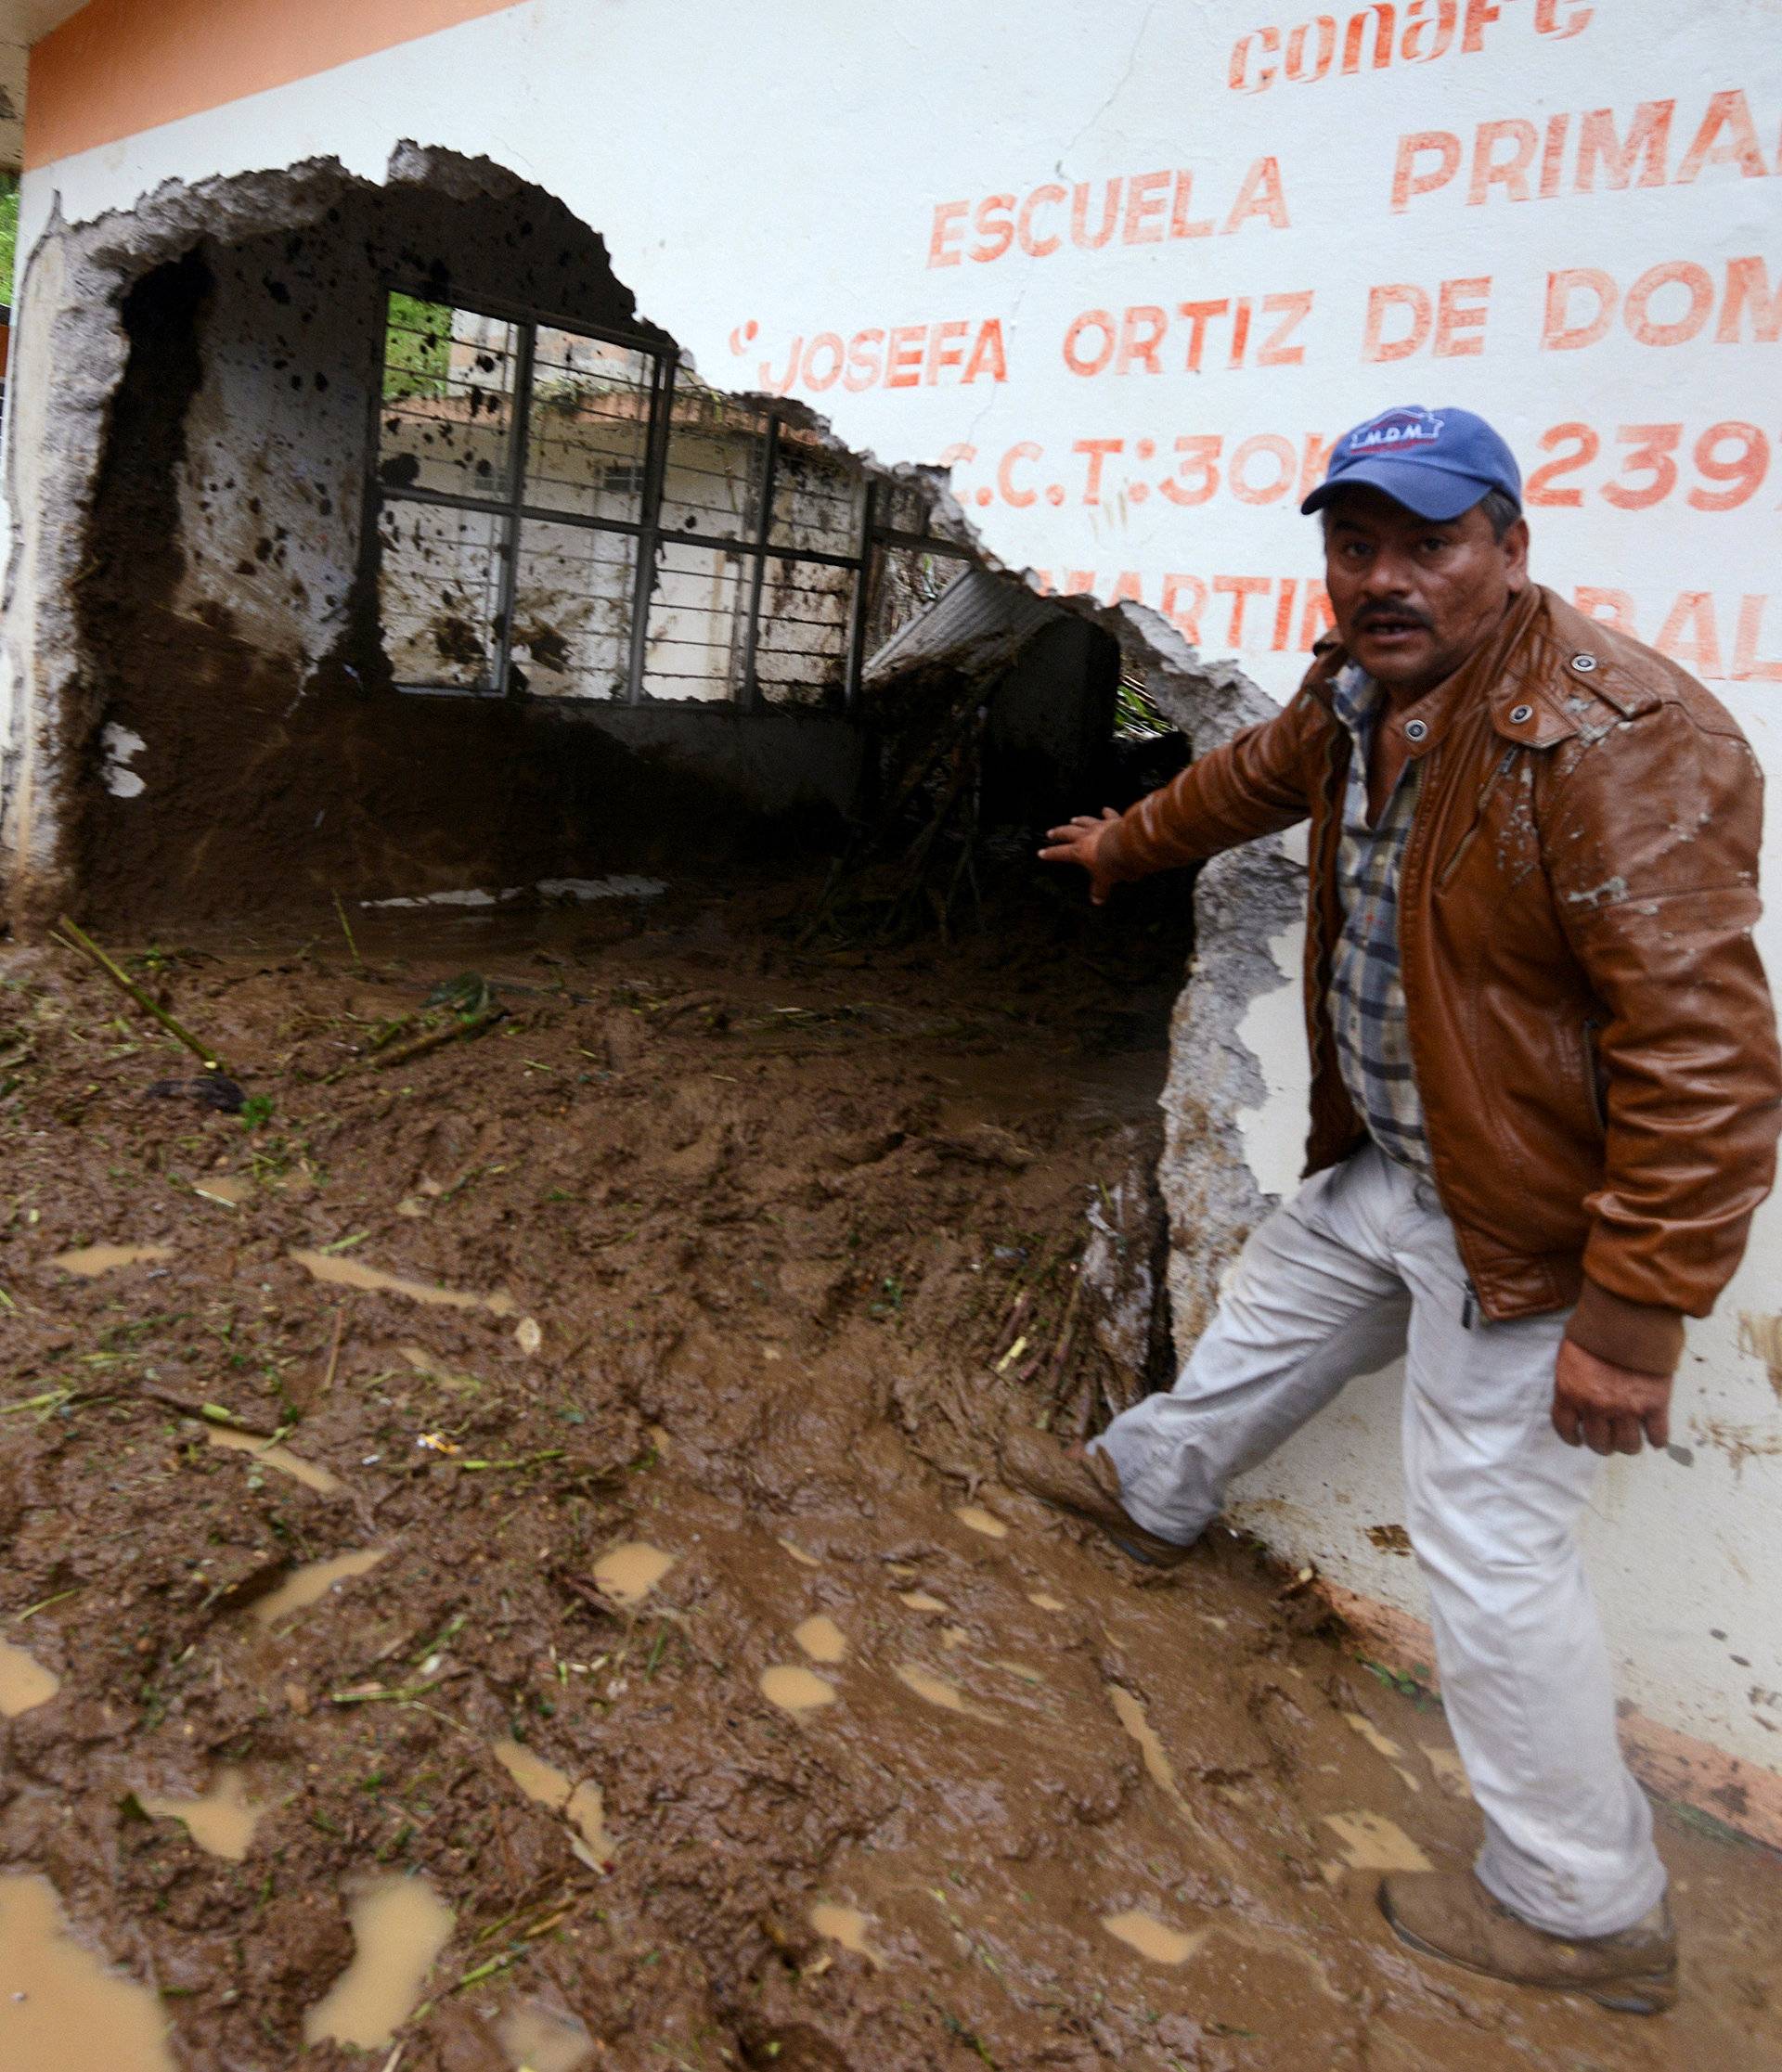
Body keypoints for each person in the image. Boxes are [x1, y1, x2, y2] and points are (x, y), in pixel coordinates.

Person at [1009, 403, 1781, 2015]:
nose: (1385, 576)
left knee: (1490, 1544)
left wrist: (1635, 1320)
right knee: (1272, 1309)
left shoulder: (1622, 740)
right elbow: (1251, 779)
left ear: (1509, 545)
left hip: (1532, 1220)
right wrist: (1122, 848)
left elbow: (1707, 1060)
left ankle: (1583, 1906)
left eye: (1427, 541)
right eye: (1356, 544)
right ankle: (1148, 1489)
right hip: (1402, 1166)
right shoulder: (1360, 692)